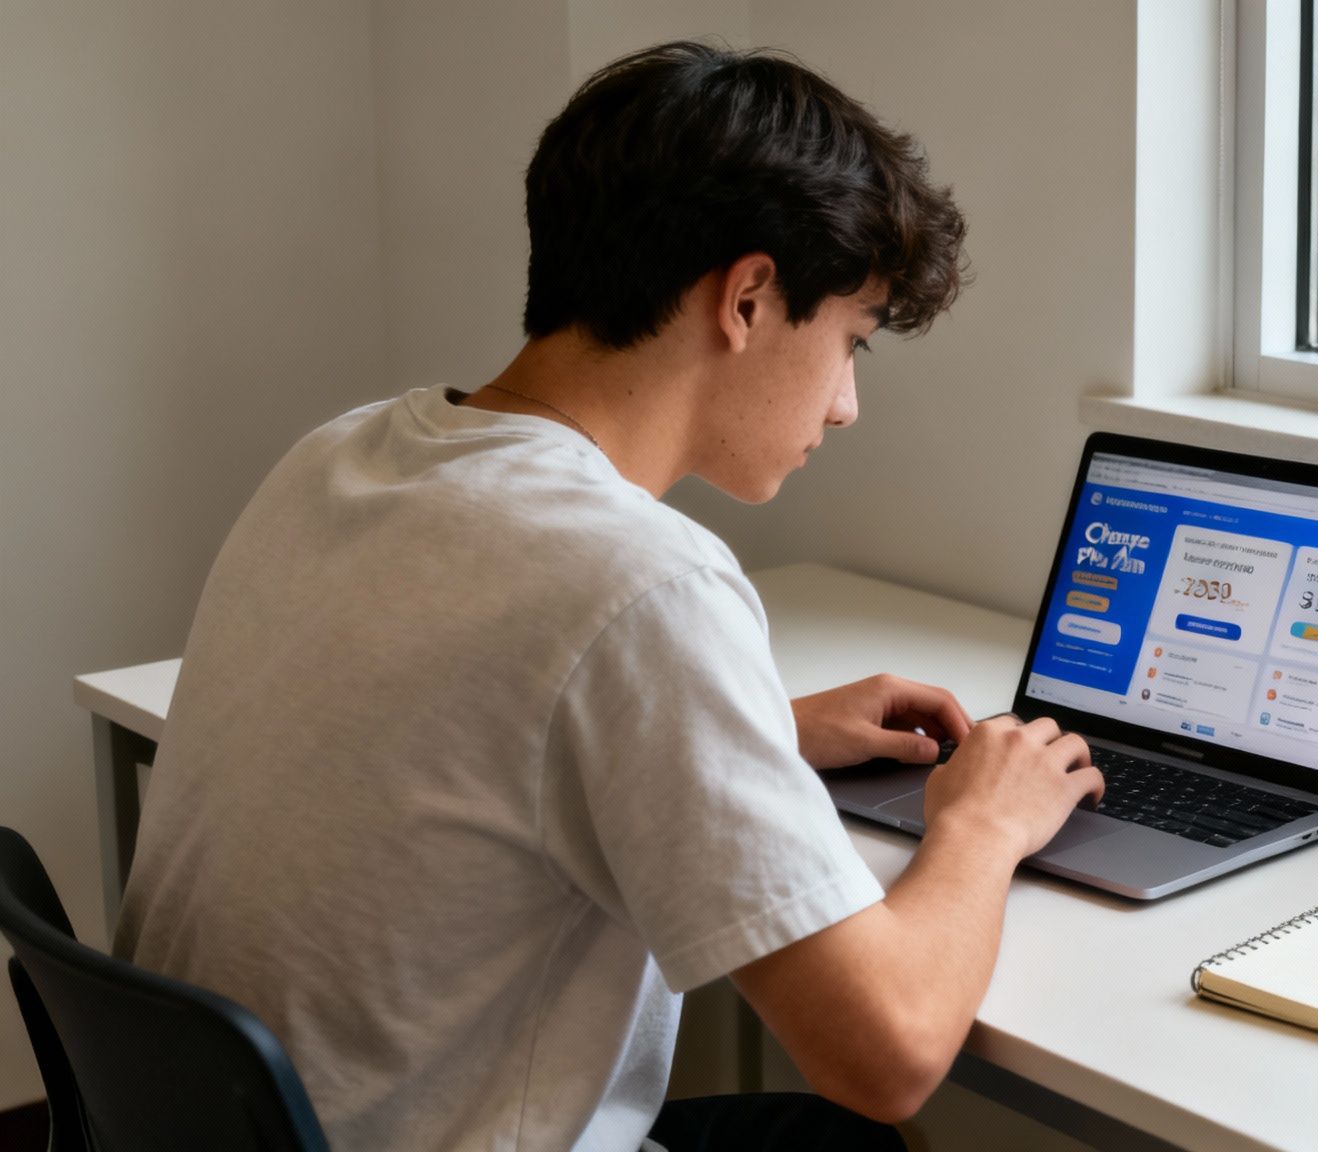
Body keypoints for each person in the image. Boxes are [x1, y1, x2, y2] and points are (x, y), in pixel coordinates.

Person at [115, 41, 1104, 1152]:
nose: (844, 406)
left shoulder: (340, 457)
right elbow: (887, 1054)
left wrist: (758, 738)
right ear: (747, 296)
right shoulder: (641, 583)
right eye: (850, 344)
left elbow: (449, 740)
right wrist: (982, 824)